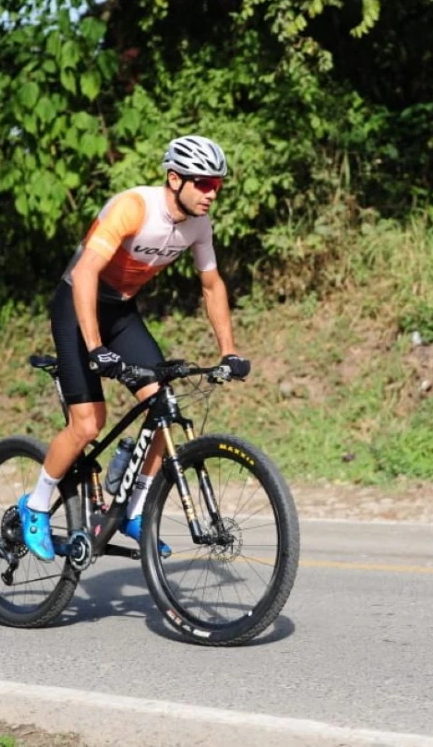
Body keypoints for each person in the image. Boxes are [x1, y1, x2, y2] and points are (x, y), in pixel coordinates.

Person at [17, 135, 252, 561]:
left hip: (121, 311)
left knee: (162, 403)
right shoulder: (134, 207)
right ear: (175, 178)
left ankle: (134, 509)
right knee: (88, 424)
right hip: (77, 305)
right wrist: (95, 348)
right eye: (203, 183)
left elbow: (211, 284)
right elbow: (86, 273)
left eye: (217, 184)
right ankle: (35, 504)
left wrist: (229, 352)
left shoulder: (199, 224)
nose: (212, 193)